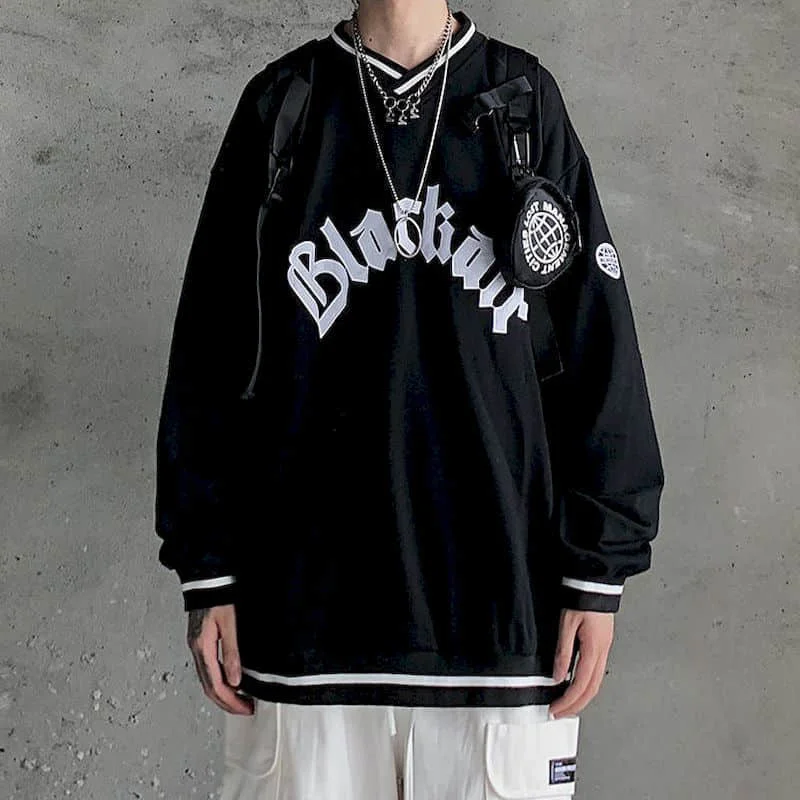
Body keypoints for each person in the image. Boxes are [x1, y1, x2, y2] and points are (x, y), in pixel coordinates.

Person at [154, 1, 665, 797]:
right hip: (305, 625)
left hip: (501, 625)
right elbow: (209, 354)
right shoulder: (285, 105)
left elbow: (601, 354)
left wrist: (599, 571)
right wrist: (208, 566)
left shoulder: (522, 101)